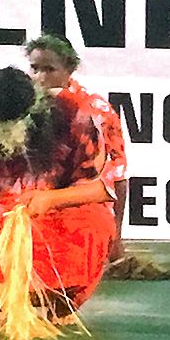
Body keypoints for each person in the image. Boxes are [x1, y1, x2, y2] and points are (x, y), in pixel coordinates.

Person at [0, 66, 117, 316]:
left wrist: (52, 198)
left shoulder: (77, 114)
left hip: (61, 209)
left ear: (34, 111)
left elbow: (103, 188)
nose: (1, 132)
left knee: (92, 224)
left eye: (10, 125)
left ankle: (57, 304)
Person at [25, 33, 129, 254]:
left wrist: (117, 238)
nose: (40, 78)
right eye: (35, 68)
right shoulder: (21, 107)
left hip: (78, 208)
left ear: (69, 69)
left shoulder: (95, 110)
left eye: (49, 69)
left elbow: (117, 176)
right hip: (33, 205)